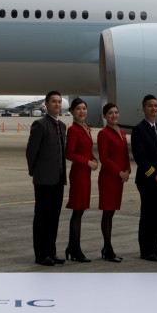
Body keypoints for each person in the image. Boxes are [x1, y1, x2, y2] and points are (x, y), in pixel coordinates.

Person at [25, 91, 67, 266]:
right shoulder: (40, 124)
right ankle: (41, 254)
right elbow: (31, 152)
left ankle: (51, 251)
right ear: (46, 104)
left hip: (58, 178)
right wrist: (36, 173)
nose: (57, 105)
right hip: (44, 179)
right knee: (42, 217)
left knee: (54, 217)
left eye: (59, 102)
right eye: (54, 102)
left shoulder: (63, 126)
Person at [131, 94, 157, 261]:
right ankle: (146, 250)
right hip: (147, 180)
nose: (154, 108)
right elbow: (140, 157)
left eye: (156, 105)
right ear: (143, 108)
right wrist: (154, 176)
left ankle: (156, 247)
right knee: (148, 215)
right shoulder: (139, 130)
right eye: (150, 106)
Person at [64, 97, 98, 262]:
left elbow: (86, 150)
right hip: (78, 174)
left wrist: (94, 159)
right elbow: (69, 153)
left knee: (80, 211)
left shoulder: (86, 128)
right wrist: (87, 162)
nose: (82, 111)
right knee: (77, 212)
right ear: (71, 112)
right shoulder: (73, 130)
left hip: (86, 174)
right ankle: (75, 249)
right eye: (78, 109)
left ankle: (71, 247)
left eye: (84, 108)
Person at [97, 102, 131, 262]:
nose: (114, 115)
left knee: (111, 212)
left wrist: (127, 171)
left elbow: (125, 154)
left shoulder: (122, 132)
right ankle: (108, 248)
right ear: (105, 116)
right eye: (110, 113)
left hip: (119, 178)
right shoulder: (103, 133)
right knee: (107, 212)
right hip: (109, 178)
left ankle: (107, 248)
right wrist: (119, 172)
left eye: (116, 112)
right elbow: (104, 158)